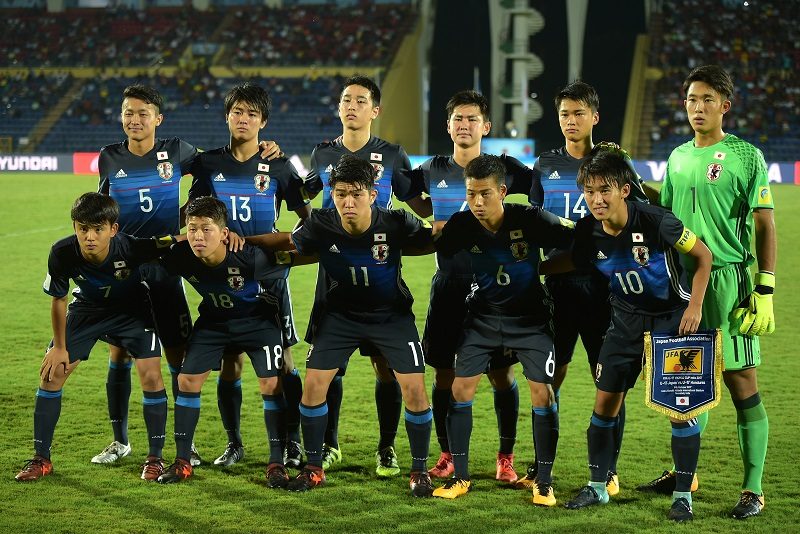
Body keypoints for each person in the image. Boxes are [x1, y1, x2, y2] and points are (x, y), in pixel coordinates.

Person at [95, 84, 281, 467]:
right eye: (128, 112)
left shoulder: (178, 151)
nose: (135, 120)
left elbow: (221, 164)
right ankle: (119, 441)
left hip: (166, 266)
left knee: (178, 353)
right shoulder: (109, 157)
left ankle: (188, 444)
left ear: (158, 118)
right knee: (120, 352)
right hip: (125, 268)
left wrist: (263, 148)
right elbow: (103, 210)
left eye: (143, 113)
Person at [641, 65, 776, 520]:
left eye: (707, 100)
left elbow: (764, 223)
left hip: (728, 283)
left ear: (725, 106)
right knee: (685, 384)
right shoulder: (677, 156)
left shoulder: (745, 156)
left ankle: (753, 489)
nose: (697, 108)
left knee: (741, 384)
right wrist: (634, 186)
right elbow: (665, 213)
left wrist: (765, 285)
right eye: (691, 100)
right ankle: (686, 475)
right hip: (681, 283)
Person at [549, 146, 711, 522]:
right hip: (624, 324)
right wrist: (530, 268)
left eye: (604, 190)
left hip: (672, 322)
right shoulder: (588, 232)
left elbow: (703, 257)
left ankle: (683, 495)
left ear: (624, 190)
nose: (596, 199)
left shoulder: (657, 221)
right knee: (604, 405)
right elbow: (572, 261)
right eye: (589, 191)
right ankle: (597, 486)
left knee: (678, 411)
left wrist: (695, 307)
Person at [516, 81, 651, 492]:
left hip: (607, 291)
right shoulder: (546, 164)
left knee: (608, 383)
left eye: (579, 113)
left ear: (595, 116)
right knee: (548, 379)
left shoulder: (614, 162)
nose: (571, 121)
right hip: (557, 290)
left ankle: (608, 470)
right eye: (564, 114)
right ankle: (541, 467)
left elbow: (642, 216)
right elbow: (536, 222)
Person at [302, 75, 431, 477]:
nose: (352, 106)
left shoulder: (392, 155)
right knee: (330, 369)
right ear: (338, 107)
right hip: (333, 272)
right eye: (346, 100)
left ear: (375, 110)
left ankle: (387, 447)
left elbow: (420, 207)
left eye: (360, 100)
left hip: (381, 266)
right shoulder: (323, 154)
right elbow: (298, 195)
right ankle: (329, 444)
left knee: (385, 366)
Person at [415, 90, 544, 483]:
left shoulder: (505, 169)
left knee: (501, 375)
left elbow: (541, 192)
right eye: (458, 118)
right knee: (444, 374)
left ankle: (506, 457)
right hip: (449, 285)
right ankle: (447, 455)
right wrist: (433, 221)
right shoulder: (431, 169)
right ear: (447, 125)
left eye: (472, 119)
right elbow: (402, 191)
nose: (464, 125)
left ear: (486, 126)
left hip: (495, 288)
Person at [430, 154, 574, 506]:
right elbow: (438, 248)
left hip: (530, 320)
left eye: (485, 194)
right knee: (460, 389)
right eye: (471, 194)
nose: (478, 202)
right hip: (483, 318)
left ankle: (543, 481)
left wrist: (543, 269)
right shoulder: (462, 224)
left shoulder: (531, 218)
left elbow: (577, 239)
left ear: (503, 192)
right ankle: (461, 478)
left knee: (542, 394)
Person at [288, 154, 435, 497]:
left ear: (372, 194)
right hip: (340, 316)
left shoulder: (397, 222)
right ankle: (313, 468)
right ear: (332, 194)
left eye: (356, 194)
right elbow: (290, 248)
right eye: (341, 194)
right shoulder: (320, 224)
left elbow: (432, 239)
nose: (348, 202)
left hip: (391, 316)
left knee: (415, 389)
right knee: (314, 386)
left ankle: (419, 470)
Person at [187, 82, 310, 468]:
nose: (244, 119)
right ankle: (234, 443)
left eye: (252, 113)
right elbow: (193, 214)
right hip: (223, 278)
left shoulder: (279, 166)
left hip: (268, 281)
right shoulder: (208, 164)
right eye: (237, 112)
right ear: (227, 117)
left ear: (263, 121)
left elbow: (306, 221)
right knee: (231, 363)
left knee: (284, 362)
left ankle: (292, 443)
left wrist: (272, 249)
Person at [15, 193, 179, 482]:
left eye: (98, 229)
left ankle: (155, 458)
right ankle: (41, 459)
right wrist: (59, 347)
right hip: (88, 310)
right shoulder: (62, 252)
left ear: (113, 229)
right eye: (83, 229)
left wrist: (219, 236)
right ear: (74, 227)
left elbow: (172, 241)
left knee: (151, 376)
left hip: (133, 310)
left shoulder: (131, 247)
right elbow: (58, 299)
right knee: (52, 374)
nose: (89, 237)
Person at [155, 196, 300, 485]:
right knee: (187, 381)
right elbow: (144, 251)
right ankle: (182, 460)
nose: (198, 236)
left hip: (258, 322)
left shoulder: (250, 257)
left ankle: (276, 462)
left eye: (206, 229)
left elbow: (294, 253)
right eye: (192, 229)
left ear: (224, 233)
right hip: (214, 322)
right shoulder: (179, 255)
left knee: (271, 384)